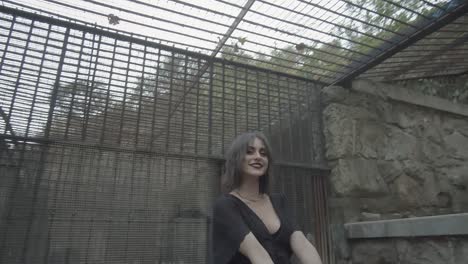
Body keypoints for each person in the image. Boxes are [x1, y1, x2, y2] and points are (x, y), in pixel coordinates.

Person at [212, 131, 323, 264]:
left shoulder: (279, 201)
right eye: (249, 152)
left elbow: (303, 246)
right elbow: (258, 254)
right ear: (236, 159)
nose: (258, 157)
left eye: (263, 153)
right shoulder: (225, 206)